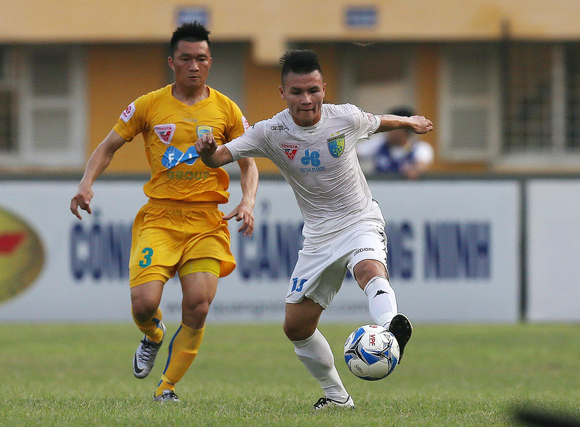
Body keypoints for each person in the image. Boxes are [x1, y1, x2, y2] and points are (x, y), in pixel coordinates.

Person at [195, 49, 433, 410]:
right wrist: (207, 150)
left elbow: (376, 120)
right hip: (319, 236)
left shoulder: (345, 118)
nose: (306, 100)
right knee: (296, 327)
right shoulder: (270, 131)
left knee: (368, 268)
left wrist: (407, 122)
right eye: (296, 92)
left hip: (359, 219)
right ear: (282, 93)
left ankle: (392, 327)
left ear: (324, 87)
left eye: (312, 90)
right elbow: (219, 158)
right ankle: (338, 398)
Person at [70, 22, 258, 403]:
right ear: (171, 62)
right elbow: (107, 147)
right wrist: (86, 184)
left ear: (210, 62)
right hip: (161, 217)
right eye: (186, 59)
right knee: (144, 303)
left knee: (199, 305)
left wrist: (248, 200)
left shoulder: (227, 109)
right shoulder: (148, 105)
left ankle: (166, 387)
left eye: (201, 59)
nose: (194, 66)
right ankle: (153, 334)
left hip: (207, 220)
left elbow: (248, 163)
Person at [357, 106, 434, 179]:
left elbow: (422, 164)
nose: (387, 129)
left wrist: (414, 170)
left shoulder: (420, 147)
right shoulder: (379, 142)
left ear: (403, 129)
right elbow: (357, 152)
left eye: (391, 126)